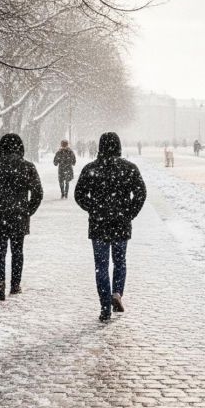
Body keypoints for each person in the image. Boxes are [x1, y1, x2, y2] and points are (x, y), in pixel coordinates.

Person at [74, 132, 147, 322]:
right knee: (120, 261)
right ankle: (117, 292)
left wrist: (93, 209)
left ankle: (105, 305)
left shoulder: (91, 169)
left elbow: (79, 195)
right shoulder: (129, 168)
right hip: (121, 223)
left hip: (99, 224)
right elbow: (141, 193)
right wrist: (129, 212)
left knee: (101, 266)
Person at [0, 133, 43, 300]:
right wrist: (28, 210)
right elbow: (38, 193)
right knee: (17, 251)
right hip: (19, 215)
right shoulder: (27, 167)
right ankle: (15, 284)